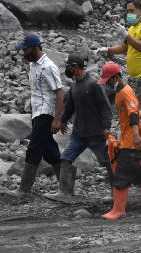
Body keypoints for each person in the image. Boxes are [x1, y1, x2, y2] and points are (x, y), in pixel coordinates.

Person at [97, 62, 141, 219]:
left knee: (121, 174)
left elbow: (133, 114)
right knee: (138, 174)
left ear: (116, 77)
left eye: (108, 80)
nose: (107, 84)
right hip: (129, 138)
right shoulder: (121, 91)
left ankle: (118, 209)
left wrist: (135, 135)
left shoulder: (126, 92)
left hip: (132, 140)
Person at [45, 53, 113, 204]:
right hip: (79, 133)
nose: (67, 69)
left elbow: (105, 107)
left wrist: (107, 127)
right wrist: (62, 121)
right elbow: (69, 107)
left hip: (96, 133)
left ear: (76, 67)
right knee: (66, 159)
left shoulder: (94, 84)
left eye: (69, 66)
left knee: (107, 162)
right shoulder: (74, 86)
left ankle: (117, 192)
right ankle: (64, 193)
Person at [9, 34, 63, 198]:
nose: (24, 53)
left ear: (35, 48)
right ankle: (67, 187)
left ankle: (24, 190)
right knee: (50, 151)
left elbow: (59, 94)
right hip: (36, 110)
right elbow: (37, 89)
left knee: (34, 149)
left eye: (26, 49)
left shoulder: (48, 67)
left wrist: (57, 119)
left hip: (45, 113)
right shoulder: (33, 64)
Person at [99, 0, 141, 110]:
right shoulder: (131, 28)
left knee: (136, 109)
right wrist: (106, 49)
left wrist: (125, 35)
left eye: (132, 11)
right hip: (133, 76)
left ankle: (140, 126)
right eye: (127, 12)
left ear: (140, 11)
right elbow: (123, 48)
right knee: (130, 106)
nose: (129, 14)